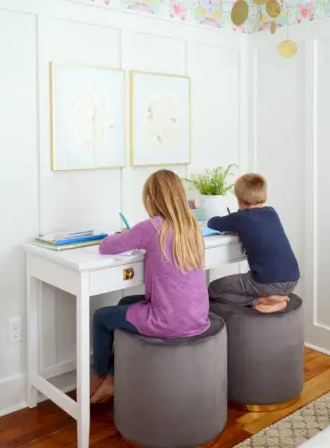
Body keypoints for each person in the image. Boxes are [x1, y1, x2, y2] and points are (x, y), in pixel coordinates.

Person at [90, 169, 210, 403]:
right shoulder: (192, 227)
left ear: (151, 198)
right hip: (197, 316)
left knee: (100, 318)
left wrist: (120, 234)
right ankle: (114, 376)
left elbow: (107, 247)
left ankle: (101, 377)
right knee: (125, 303)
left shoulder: (151, 227)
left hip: (168, 321)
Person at [207, 173, 299, 314]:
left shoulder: (241, 218)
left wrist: (235, 225)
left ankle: (262, 301)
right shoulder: (272, 213)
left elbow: (212, 223)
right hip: (292, 280)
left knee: (213, 289)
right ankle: (274, 299)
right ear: (264, 196)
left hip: (268, 284)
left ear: (238, 199)